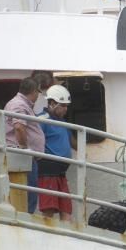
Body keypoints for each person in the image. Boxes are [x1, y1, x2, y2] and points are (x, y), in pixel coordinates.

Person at [4, 77, 44, 214]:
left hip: (25, 157)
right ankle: (25, 223)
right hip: (23, 157)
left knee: (29, 195)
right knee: (28, 197)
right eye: (38, 91)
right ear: (34, 91)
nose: (38, 95)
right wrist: (25, 149)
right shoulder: (19, 105)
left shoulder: (21, 104)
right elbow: (19, 127)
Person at [36, 85, 76, 222]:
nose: (66, 109)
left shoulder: (62, 122)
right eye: (63, 106)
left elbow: (72, 141)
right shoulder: (42, 119)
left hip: (61, 172)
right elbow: (34, 140)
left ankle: (67, 239)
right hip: (48, 170)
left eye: (66, 106)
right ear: (52, 103)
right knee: (49, 210)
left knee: (66, 209)